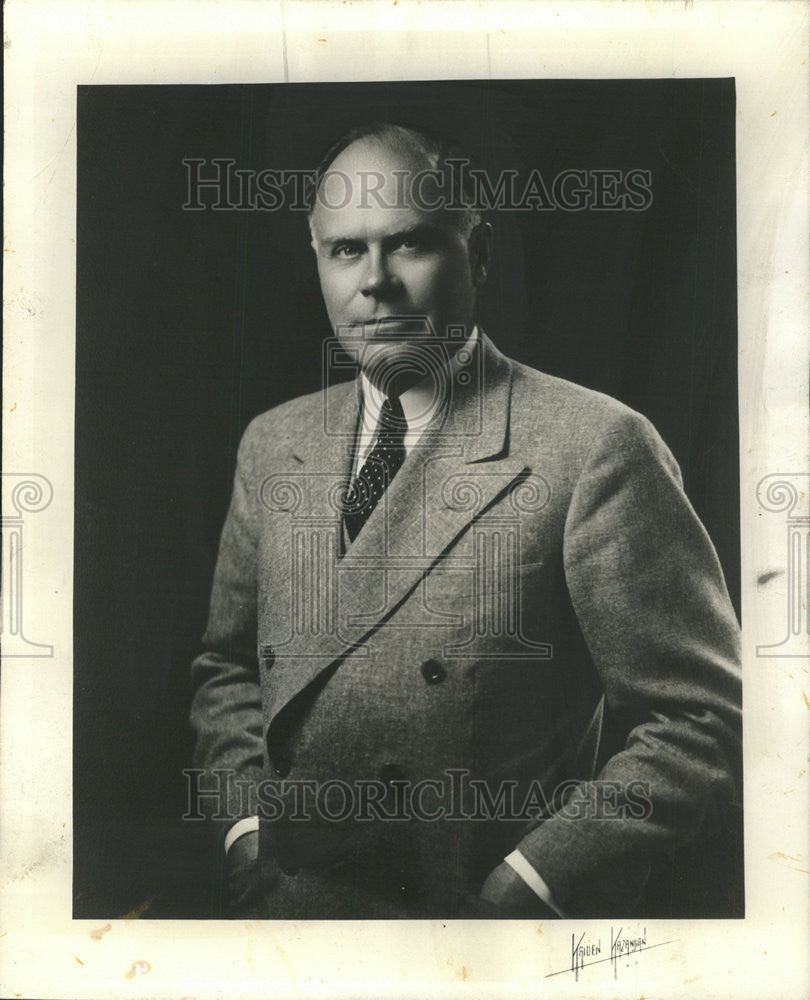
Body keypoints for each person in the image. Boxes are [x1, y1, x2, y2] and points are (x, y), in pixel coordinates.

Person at [188, 121, 742, 919]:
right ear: (316, 260)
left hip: (471, 933)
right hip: (289, 924)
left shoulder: (595, 445)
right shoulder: (273, 442)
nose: (374, 282)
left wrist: (535, 880)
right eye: (345, 251)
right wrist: (246, 831)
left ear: (477, 254)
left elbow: (701, 719)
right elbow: (227, 669)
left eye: (409, 243)